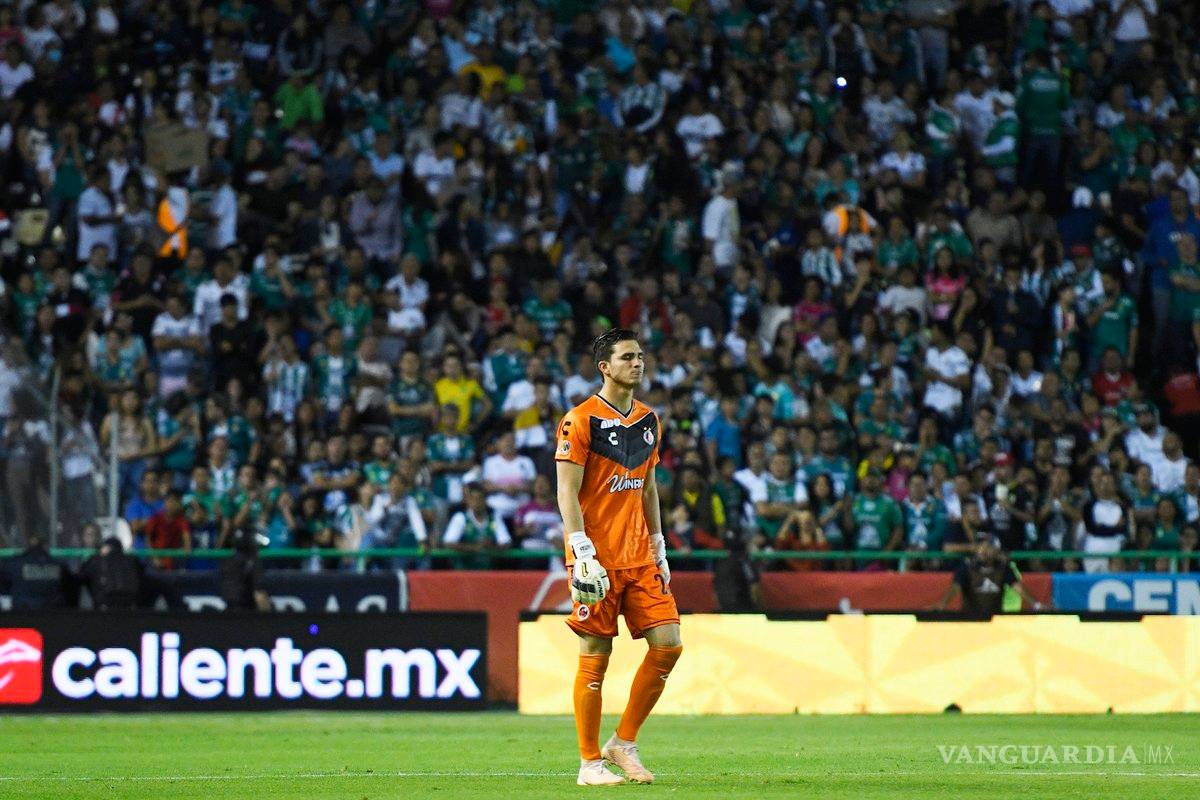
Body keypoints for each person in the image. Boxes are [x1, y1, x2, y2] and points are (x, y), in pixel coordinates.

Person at [555, 328, 680, 786]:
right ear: (604, 367)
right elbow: (565, 491)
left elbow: (647, 487)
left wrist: (659, 545)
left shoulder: (649, 420)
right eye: (628, 357)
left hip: (639, 555)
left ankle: (623, 743)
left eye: (641, 356)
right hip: (596, 559)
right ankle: (589, 764)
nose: (638, 363)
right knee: (595, 654)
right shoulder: (579, 420)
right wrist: (579, 547)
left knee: (669, 644)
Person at [934, 537, 1044, 616]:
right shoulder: (967, 567)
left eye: (987, 547)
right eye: (980, 546)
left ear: (995, 551)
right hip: (970, 618)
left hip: (995, 618)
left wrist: (1036, 604)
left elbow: (1018, 587)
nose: (982, 550)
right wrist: (943, 604)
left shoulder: (1003, 568)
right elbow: (955, 588)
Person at [0, 536, 73, 609]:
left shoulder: (13, 564)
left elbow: (4, 590)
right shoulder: (59, 565)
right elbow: (70, 591)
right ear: (45, 546)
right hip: (54, 615)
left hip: (21, 615)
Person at [79, 537, 143, 610]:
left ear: (107, 547)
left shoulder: (98, 559)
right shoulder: (132, 560)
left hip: (104, 604)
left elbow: (82, 575)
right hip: (130, 604)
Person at [219, 528, 271, 611]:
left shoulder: (227, 561)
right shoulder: (252, 562)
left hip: (228, 611)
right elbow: (259, 595)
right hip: (246, 611)